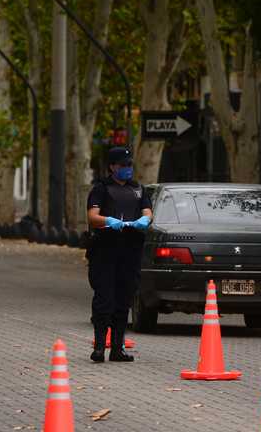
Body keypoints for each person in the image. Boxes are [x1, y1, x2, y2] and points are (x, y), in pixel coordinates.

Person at [86, 147, 153, 363]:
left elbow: (147, 213)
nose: (127, 169)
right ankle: (99, 348)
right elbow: (92, 216)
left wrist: (145, 221)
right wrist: (108, 221)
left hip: (130, 250)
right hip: (105, 250)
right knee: (104, 299)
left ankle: (117, 349)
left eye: (129, 165)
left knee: (124, 300)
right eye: (123, 165)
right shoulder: (101, 188)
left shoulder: (139, 189)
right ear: (112, 166)